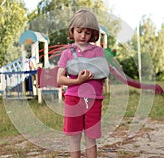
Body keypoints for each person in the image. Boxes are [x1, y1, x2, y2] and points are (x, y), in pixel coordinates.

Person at [57, 9, 108, 158]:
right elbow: (60, 79)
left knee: (91, 139)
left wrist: (90, 73)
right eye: (79, 31)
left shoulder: (98, 52)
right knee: (74, 138)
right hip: (73, 99)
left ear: (93, 34)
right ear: (72, 31)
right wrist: (78, 80)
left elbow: (103, 73)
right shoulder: (67, 53)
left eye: (87, 33)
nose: (83, 36)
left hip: (94, 100)